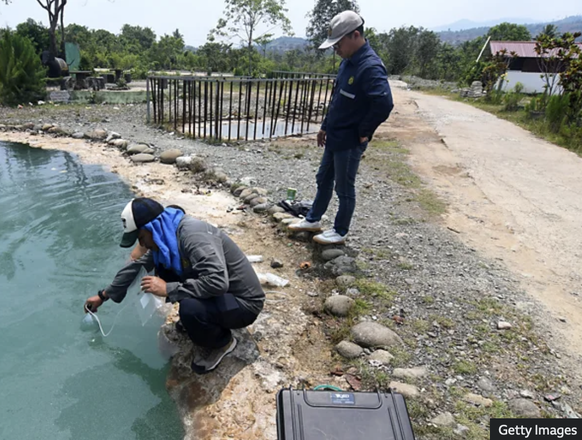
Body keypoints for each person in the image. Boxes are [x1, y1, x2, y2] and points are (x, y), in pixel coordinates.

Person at [84, 198, 265, 374]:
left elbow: (218, 281)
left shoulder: (192, 236)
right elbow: (135, 267)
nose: (142, 245)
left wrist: (168, 289)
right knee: (164, 270)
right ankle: (206, 318)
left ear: (151, 228)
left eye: (141, 238)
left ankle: (221, 343)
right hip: (224, 296)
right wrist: (103, 296)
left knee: (190, 308)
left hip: (243, 304)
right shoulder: (166, 238)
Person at [289, 10, 393, 245]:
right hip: (335, 136)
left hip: (350, 140)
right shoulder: (347, 63)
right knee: (323, 178)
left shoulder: (370, 67)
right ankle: (313, 218)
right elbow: (338, 99)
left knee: (344, 188)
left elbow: (384, 104)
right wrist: (325, 125)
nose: (335, 49)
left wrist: (364, 132)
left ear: (355, 35)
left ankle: (340, 231)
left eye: (338, 43)